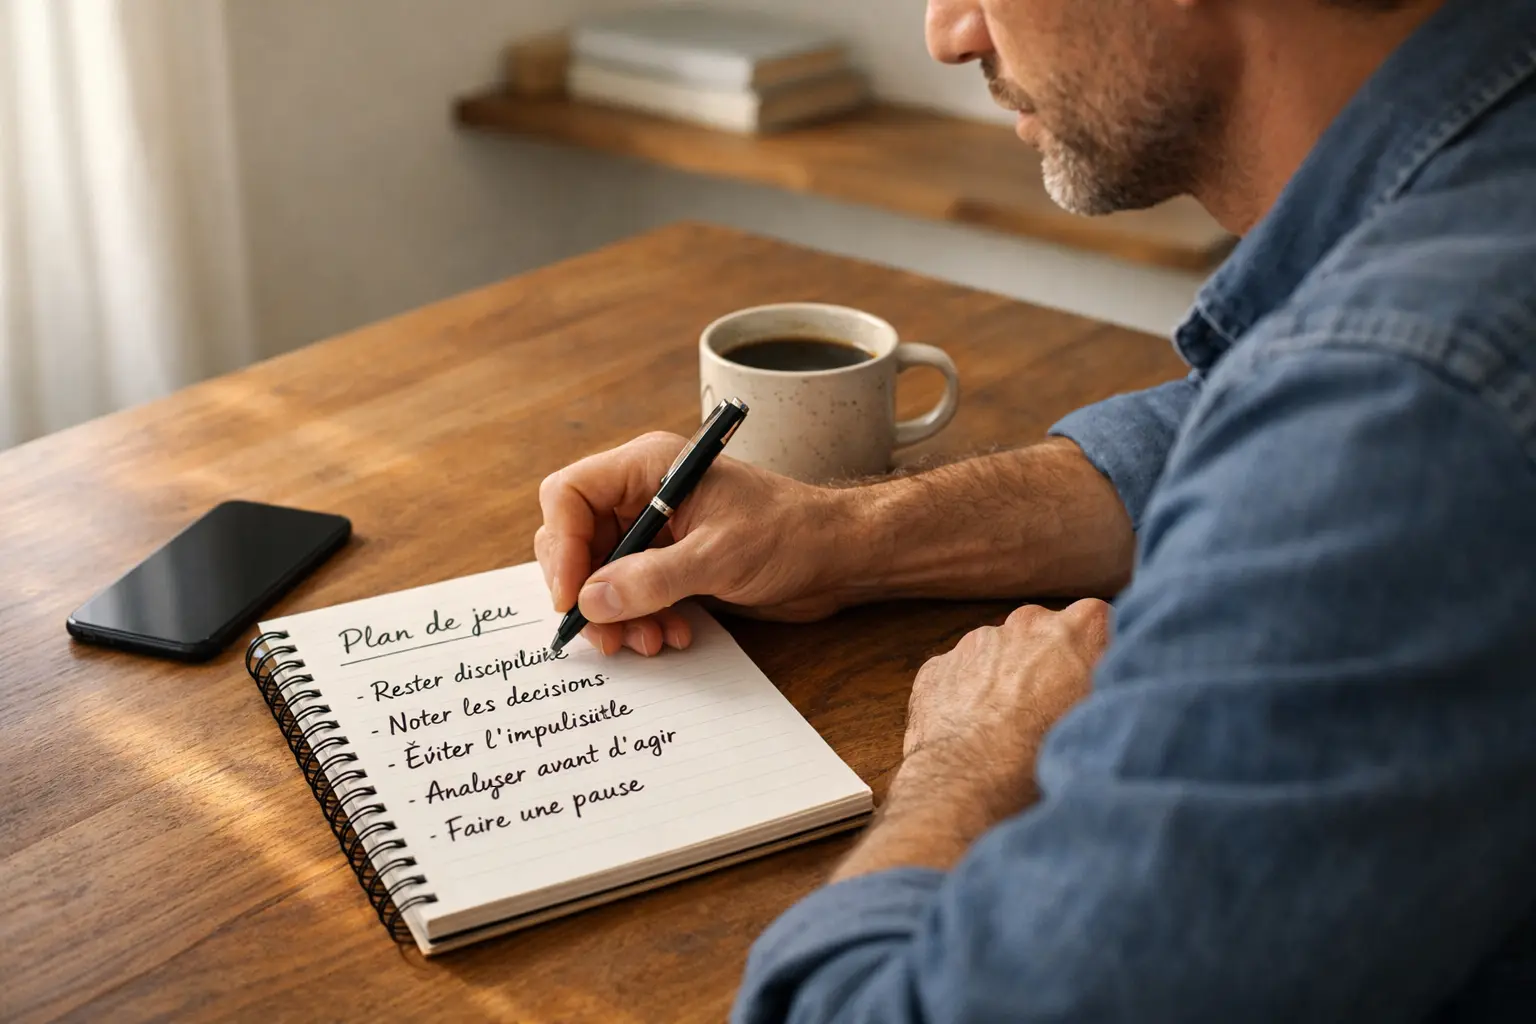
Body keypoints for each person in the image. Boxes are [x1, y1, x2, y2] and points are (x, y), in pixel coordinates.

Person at [535, 0, 1536, 1018]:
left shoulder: (1403, 416)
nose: (950, 31)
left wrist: (966, 766)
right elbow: (1225, 423)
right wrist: (846, 537)